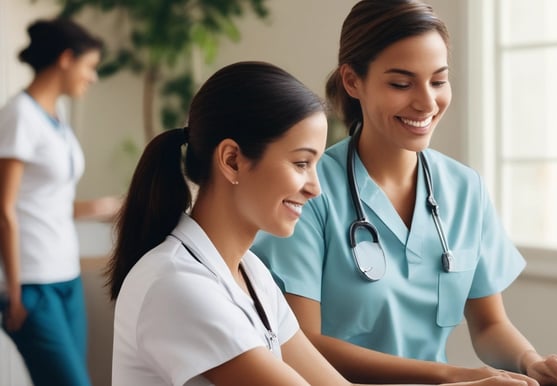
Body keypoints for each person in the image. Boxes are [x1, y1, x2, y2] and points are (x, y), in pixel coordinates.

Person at [108, 61, 527, 386]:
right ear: (232, 160)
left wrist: (465, 378)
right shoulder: (178, 284)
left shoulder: (250, 274)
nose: (315, 187)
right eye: (300, 163)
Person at [251, 1, 557, 385]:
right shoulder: (309, 193)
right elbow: (302, 344)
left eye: (438, 81)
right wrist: (452, 375)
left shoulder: (465, 189)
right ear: (352, 81)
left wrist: (530, 361)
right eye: (401, 84)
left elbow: (489, 324)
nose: (427, 103)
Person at [0, 18, 121, 386]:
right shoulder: (20, 115)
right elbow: (4, 209)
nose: (93, 78)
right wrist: (15, 293)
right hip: (33, 283)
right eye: (90, 67)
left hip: (66, 274)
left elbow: (45, 202)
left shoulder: (58, 118)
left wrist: (103, 207)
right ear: (66, 59)